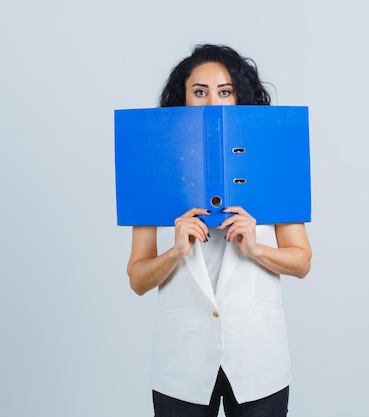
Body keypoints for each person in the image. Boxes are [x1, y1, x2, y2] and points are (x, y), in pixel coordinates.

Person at [127, 44, 312, 417]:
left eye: (224, 91)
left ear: (239, 96)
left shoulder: (272, 157)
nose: (212, 101)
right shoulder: (151, 161)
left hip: (258, 358)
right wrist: (176, 250)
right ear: (183, 98)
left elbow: (302, 262)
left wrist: (257, 249)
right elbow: (137, 279)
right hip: (183, 360)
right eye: (200, 92)